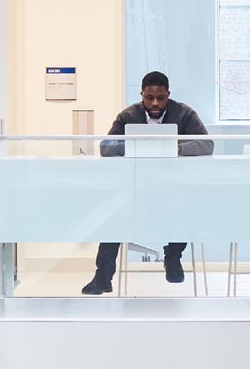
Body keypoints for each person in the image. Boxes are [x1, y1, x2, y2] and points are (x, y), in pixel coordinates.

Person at [81, 71, 214, 295]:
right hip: (136, 190)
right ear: (142, 94)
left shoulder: (184, 113)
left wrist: (172, 149)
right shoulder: (128, 115)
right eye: (149, 97)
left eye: (160, 98)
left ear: (168, 95)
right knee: (112, 219)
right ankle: (102, 277)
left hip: (175, 190)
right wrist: (139, 148)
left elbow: (207, 145)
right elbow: (106, 147)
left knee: (188, 207)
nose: (154, 103)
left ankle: (172, 257)